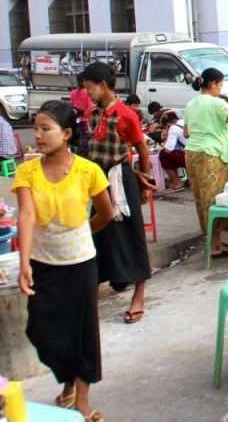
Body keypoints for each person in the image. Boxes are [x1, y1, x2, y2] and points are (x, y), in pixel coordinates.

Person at [14, 100, 114, 422]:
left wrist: (85, 233)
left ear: (67, 133)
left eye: (46, 129)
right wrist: (24, 262)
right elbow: (26, 215)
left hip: (81, 264)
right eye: (37, 129)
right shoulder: (27, 171)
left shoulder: (88, 171)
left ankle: (81, 400)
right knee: (44, 330)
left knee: (83, 333)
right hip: (43, 264)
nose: (39, 136)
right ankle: (67, 379)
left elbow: (107, 212)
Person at [80, 62, 155, 325]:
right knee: (98, 233)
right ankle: (101, 286)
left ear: (102, 85)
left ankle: (140, 294)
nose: (86, 92)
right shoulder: (92, 114)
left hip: (122, 179)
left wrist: (143, 182)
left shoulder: (126, 114)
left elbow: (141, 150)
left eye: (89, 87)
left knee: (131, 235)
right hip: (98, 180)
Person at [183, 67, 228, 258]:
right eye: (220, 85)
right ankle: (214, 247)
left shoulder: (191, 104)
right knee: (216, 199)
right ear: (212, 84)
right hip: (210, 155)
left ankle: (214, 242)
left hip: (192, 155)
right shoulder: (215, 103)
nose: (220, 89)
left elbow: (186, 133)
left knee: (202, 199)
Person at [158, 111, 187, 191]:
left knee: (163, 154)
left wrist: (164, 138)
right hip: (199, 151)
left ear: (167, 125)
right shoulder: (184, 122)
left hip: (189, 156)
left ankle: (176, 183)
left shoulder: (173, 128)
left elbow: (168, 150)